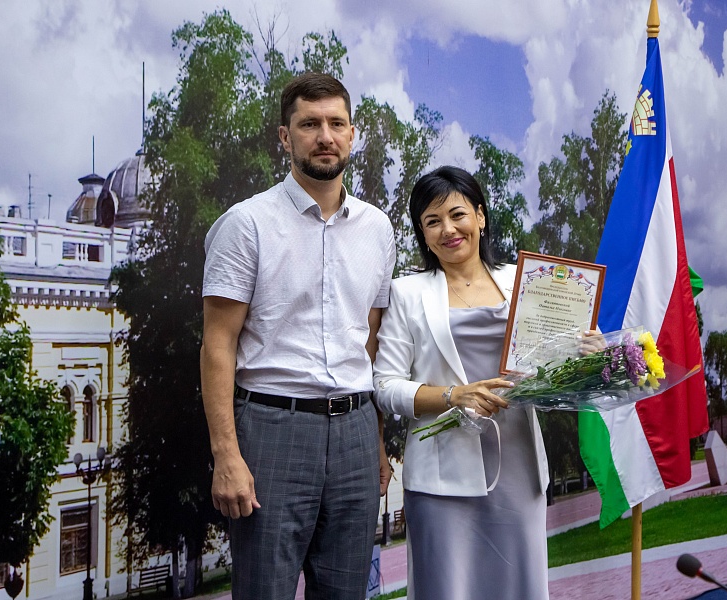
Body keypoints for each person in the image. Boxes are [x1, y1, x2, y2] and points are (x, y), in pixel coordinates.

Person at [200, 72, 396, 599]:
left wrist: (376, 442)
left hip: (356, 432)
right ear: (285, 137)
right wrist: (226, 455)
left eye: (336, 123)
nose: (324, 136)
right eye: (309, 124)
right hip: (271, 432)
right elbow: (217, 346)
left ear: (352, 134)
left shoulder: (378, 230)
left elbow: (370, 343)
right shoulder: (246, 225)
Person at [373, 166, 550, 600]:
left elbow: (550, 360)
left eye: (457, 215)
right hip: (441, 479)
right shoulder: (406, 293)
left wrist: (584, 351)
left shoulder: (524, 280)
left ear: (480, 216)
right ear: (423, 233)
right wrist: (455, 396)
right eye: (433, 221)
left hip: (519, 468)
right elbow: (385, 386)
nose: (448, 230)